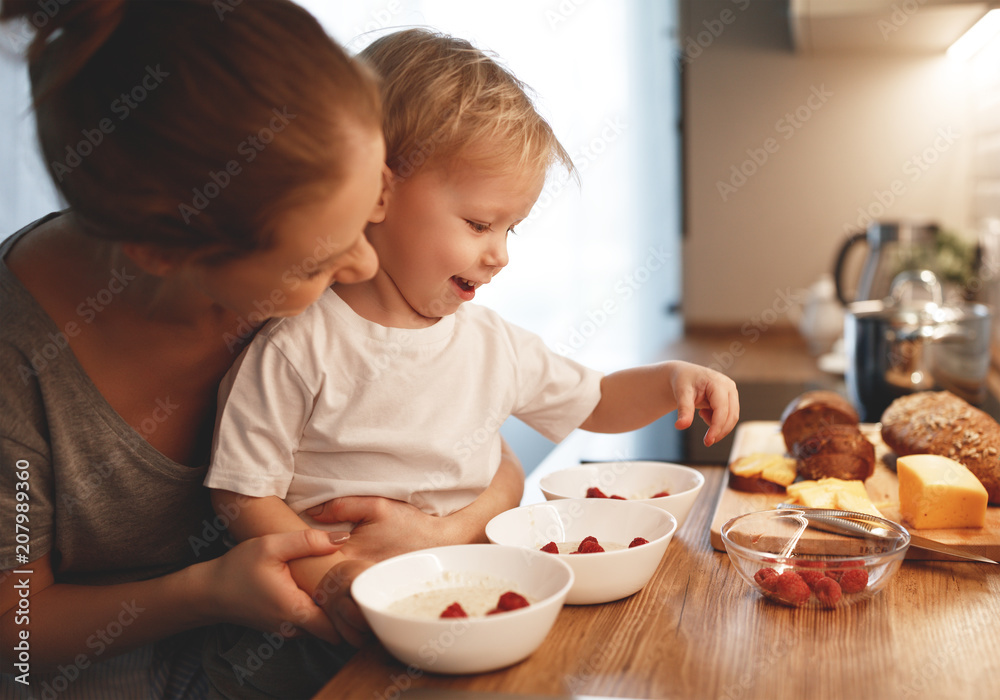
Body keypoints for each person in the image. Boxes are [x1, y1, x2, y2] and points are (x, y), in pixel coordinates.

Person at [0, 3, 525, 698]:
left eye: (370, 212)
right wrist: (207, 592)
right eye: (316, 262)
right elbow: (19, 624)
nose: (365, 268)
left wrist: (444, 530)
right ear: (162, 253)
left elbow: (482, 439)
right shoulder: (17, 364)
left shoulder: (309, 284)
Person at [203, 27, 740, 694]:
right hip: (326, 636)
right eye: (480, 225)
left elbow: (595, 401)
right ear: (377, 191)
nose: (501, 255)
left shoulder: (491, 341)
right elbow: (241, 491)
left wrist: (669, 381)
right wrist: (333, 580)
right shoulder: (298, 342)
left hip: (475, 606)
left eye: (511, 230)